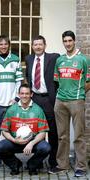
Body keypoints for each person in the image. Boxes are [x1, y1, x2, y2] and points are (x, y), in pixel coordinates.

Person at [49, 30, 90, 177]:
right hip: (60, 101)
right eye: (65, 41)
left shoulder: (83, 59)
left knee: (79, 135)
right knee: (62, 135)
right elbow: (57, 80)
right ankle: (63, 165)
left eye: (70, 41)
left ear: (74, 41)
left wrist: (80, 94)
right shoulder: (60, 60)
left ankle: (81, 167)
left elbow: (88, 81)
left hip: (76, 101)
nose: (67, 44)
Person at [0, 84, 51, 175]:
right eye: (22, 93)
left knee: (45, 147)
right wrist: (14, 140)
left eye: (27, 93)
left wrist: (31, 143)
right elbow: (4, 131)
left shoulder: (38, 110)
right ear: (19, 94)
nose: (24, 96)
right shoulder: (11, 110)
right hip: (15, 142)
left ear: (31, 94)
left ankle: (32, 165)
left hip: (32, 143)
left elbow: (43, 132)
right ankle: (15, 165)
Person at [25, 35, 60, 169]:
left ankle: (53, 161)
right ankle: (37, 161)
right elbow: (28, 77)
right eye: (35, 44)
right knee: (35, 129)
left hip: (49, 99)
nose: (38, 47)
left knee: (52, 131)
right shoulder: (28, 59)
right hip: (35, 98)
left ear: (45, 45)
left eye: (40, 44)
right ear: (32, 46)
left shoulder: (54, 57)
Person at [0, 35, 23, 169]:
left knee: (14, 133)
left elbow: (18, 81)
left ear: (9, 45)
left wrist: (16, 98)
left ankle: (11, 159)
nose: (3, 46)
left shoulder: (15, 59)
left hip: (11, 104)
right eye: (1, 44)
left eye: (5, 44)